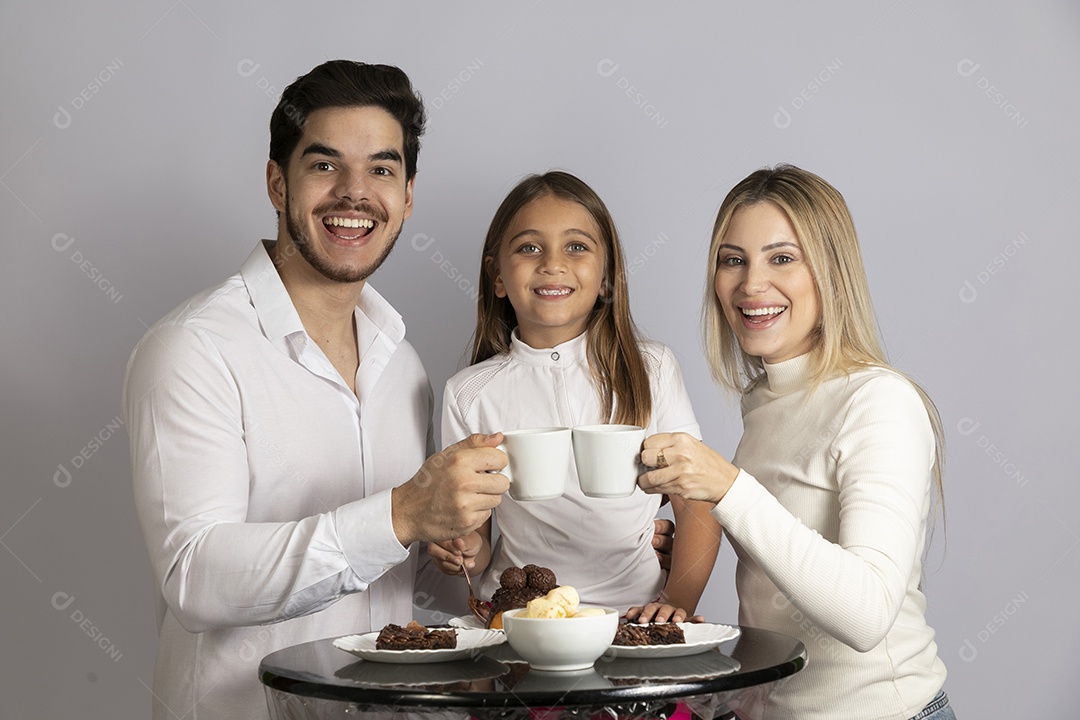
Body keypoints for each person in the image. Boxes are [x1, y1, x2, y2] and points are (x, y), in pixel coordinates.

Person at [122, 60, 511, 720]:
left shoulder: (403, 365)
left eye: (382, 170)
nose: (355, 193)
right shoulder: (194, 348)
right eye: (325, 165)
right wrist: (400, 515)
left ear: (408, 197)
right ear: (278, 182)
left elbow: (398, 573)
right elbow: (194, 575)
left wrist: (454, 549)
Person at [634, 164, 954, 719]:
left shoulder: (880, 401)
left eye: (782, 258)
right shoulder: (764, 404)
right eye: (733, 260)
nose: (751, 284)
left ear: (830, 272)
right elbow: (781, 607)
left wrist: (730, 490)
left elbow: (866, 614)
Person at [427, 171, 722, 621]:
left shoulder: (654, 369)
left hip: (631, 621)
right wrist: (462, 551)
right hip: (521, 628)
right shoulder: (467, 394)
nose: (552, 263)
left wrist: (674, 605)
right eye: (529, 247)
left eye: (577, 247)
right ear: (497, 276)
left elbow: (695, 501)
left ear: (606, 277)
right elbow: (478, 541)